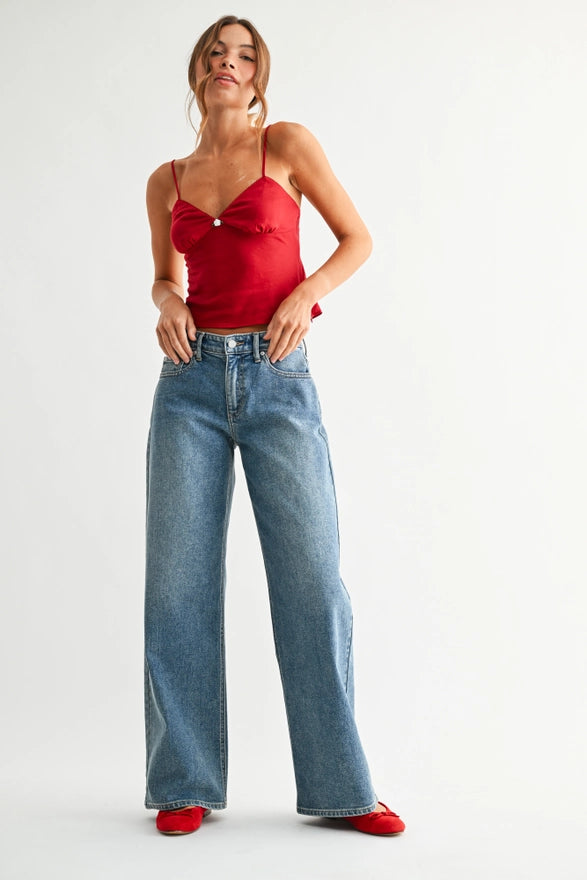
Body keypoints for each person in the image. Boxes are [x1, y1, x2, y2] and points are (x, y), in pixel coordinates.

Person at [144, 14, 406, 837]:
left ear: (258, 78)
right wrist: (165, 301)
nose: (228, 64)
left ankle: (341, 789)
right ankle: (183, 780)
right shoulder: (167, 178)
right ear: (198, 74)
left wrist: (303, 295)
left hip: (277, 378)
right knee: (178, 583)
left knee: (312, 582)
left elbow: (357, 239)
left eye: (243, 56)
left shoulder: (284, 145)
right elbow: (163, 273)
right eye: (215, 55)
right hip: (187, 384)